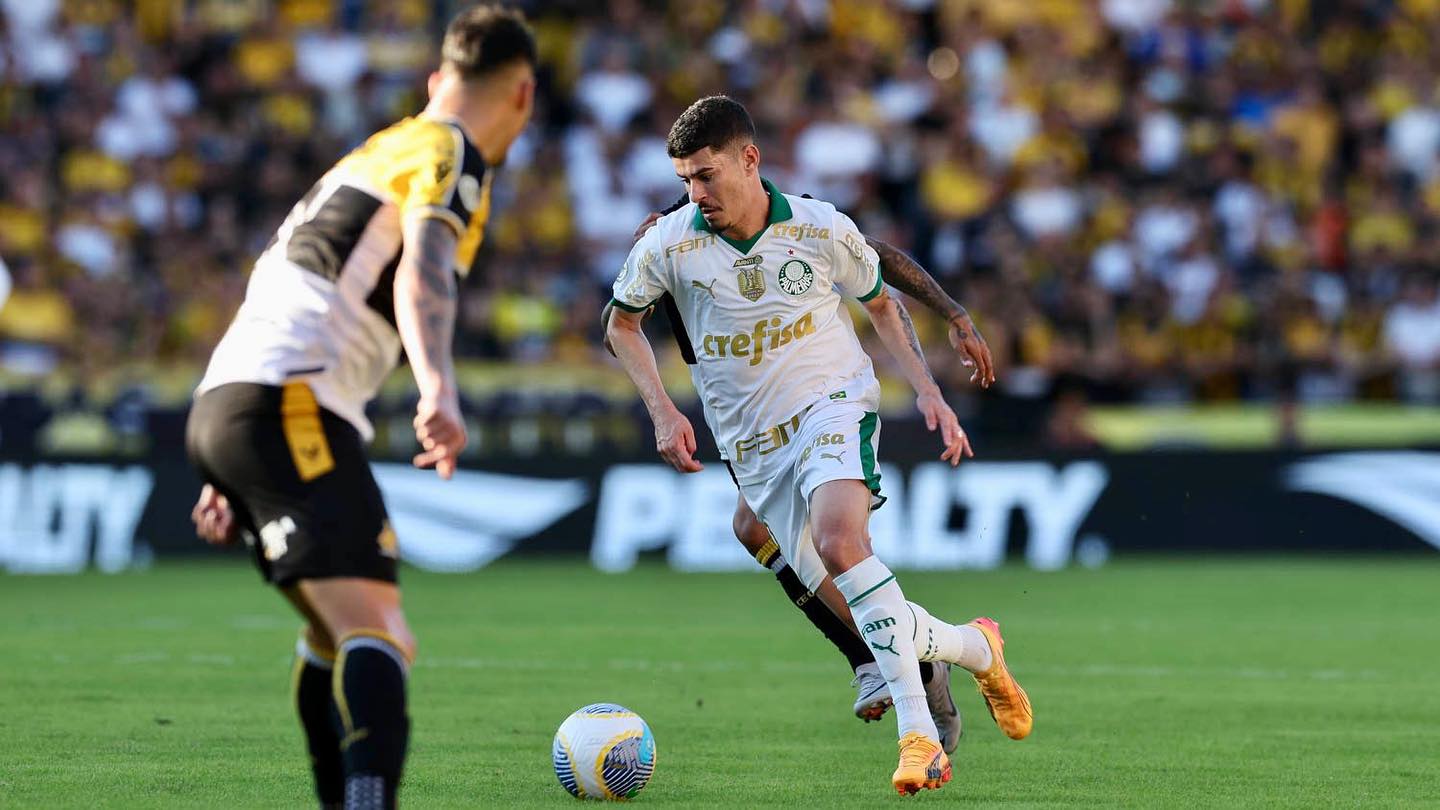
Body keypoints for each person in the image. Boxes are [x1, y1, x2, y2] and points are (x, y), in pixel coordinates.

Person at [605, 96, 1031, 795]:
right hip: (751, 443)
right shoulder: (667, 244)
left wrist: (926, 387)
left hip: (832, 405)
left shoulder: (813, 225)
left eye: (706, 175)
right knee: (819, 572)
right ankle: (974, 647)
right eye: (685, 180)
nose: (696, 193)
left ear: (750, 159)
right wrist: (661, 411)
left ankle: (919, 735)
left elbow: (879, 289)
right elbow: (620, 324)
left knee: (841, 544)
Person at [184, 7, 536, 808]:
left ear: (436, 78)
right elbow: (425, 270)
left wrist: (231, 458)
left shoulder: (378, 151)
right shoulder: (452, 148)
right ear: (522, 94)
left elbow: (280, 280)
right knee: (382, 632)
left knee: (328, 635)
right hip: (288, 402)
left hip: (235, 398)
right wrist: (438, 385)